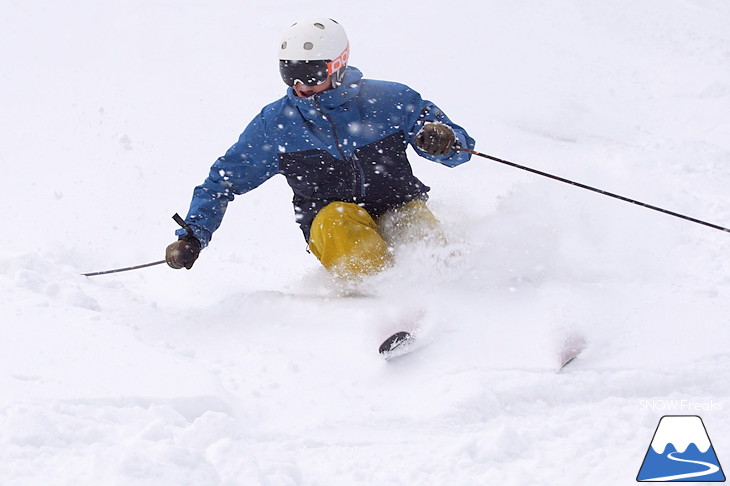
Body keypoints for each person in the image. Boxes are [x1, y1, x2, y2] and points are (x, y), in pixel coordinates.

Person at [166, 17, 475, 278]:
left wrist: (445, 141)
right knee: (336, 221)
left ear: (337, 66)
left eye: (310, 73)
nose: (300, 84)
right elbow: (222, 182)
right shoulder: (276, 125)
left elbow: (461, 151)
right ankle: (381, 300)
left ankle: (448, 288)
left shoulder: (390, 101)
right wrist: (193, 234)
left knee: (415, 224)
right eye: (290, 73)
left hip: (397, 205)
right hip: (332, 224)